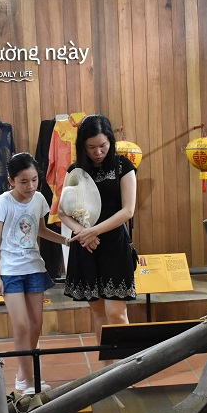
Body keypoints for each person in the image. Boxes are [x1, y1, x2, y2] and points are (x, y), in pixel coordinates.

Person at [0, 152, 71, 394]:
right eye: (23, 182)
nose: (31, 186)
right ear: (11, 181)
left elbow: (40, 230)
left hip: (34, 267)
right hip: (10, 271)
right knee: (22, 325)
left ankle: (23, 376)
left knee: (36, 324)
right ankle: (30, 379)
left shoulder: (39, 199)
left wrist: (66, 241)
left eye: (34, 180)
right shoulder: (3, 202)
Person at [59, 114, 137, 342]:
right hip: (87, 245)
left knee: (116, 312)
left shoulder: (123, 166)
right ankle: (105, 362)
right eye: (91, 147)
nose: (98, 152)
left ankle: (126, 363)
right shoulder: (75, 170)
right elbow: (63, 212)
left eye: (103, 145)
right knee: (98, 312)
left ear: (111, 141)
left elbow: (128, 211)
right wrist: (83, 233)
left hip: (114, 244)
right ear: (82, 146)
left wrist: (94, 231)